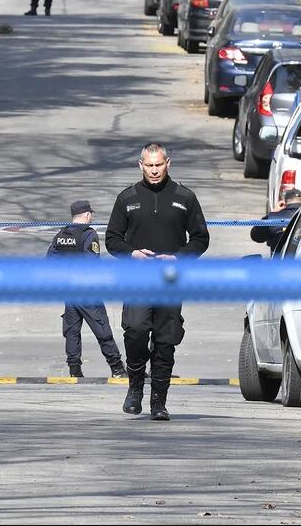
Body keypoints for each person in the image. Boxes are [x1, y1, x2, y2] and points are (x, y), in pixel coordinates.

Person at [106, 142, 210, 421]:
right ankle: (135, 386)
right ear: (140, 165)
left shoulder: (184, 197)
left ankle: (159, 401)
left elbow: (201, 238)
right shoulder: (127, 197)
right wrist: (132, 253)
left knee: (165, 341)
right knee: (136, 331)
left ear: (168, 163)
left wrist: (179, 257)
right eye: (149, 165)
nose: (154, 171)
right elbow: (112, 239)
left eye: (159, 165)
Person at [47, 200, 127, 379]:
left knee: (72, 332)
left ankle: (74, 370)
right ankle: (117, 369)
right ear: (87, 215)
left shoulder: (61, 234)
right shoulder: (88, 234)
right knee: (102, 329)